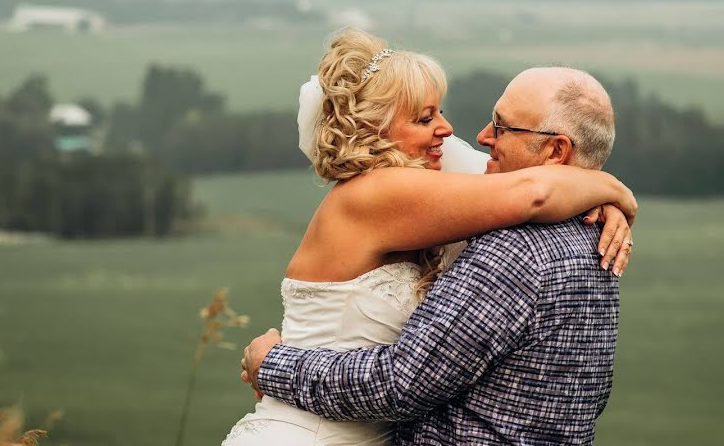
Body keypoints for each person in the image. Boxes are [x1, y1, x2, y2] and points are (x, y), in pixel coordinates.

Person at [223, 29, 635, 445]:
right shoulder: (377, 192)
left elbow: (529, 187)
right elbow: (534, 192)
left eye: (500, 127)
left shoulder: (447, 190)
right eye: (425, 118)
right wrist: (612, 189)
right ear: (376, 128)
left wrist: (599, 193)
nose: (453, 131)